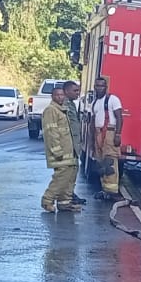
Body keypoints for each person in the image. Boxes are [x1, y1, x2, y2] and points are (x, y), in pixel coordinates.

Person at [41, 83, 79, 213]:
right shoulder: (51, 110)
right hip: (60, 152)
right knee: (61, 178)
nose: (60, 97)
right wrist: (56, 150)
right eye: (57, 95)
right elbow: (51, 132)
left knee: (70, 177)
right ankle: (47, 201)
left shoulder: (63, 109)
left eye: (62, 95)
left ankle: (64, 202)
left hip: (69, 151)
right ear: (52, 96)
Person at [91, 76, 123, 200]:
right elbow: (93, 121)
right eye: (97, 86)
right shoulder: (94, 102)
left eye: (102, 86)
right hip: (98, 134)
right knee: (101, 163)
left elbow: (119, 117)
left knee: (110, 162)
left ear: (106, 87)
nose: (99, 88)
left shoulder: (112, 99)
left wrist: (118, 134)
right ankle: (105, 189)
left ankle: (113, 192)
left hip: (109, 132)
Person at [61, 80, 87, 208]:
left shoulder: (71, 104)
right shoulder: (64, 105)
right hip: (68, 145)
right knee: (67, 172)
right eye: (75, 91)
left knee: (73, 171)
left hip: (74, 144)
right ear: (66, 91)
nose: (78, 93)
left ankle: (69, 195)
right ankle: (64, 200)